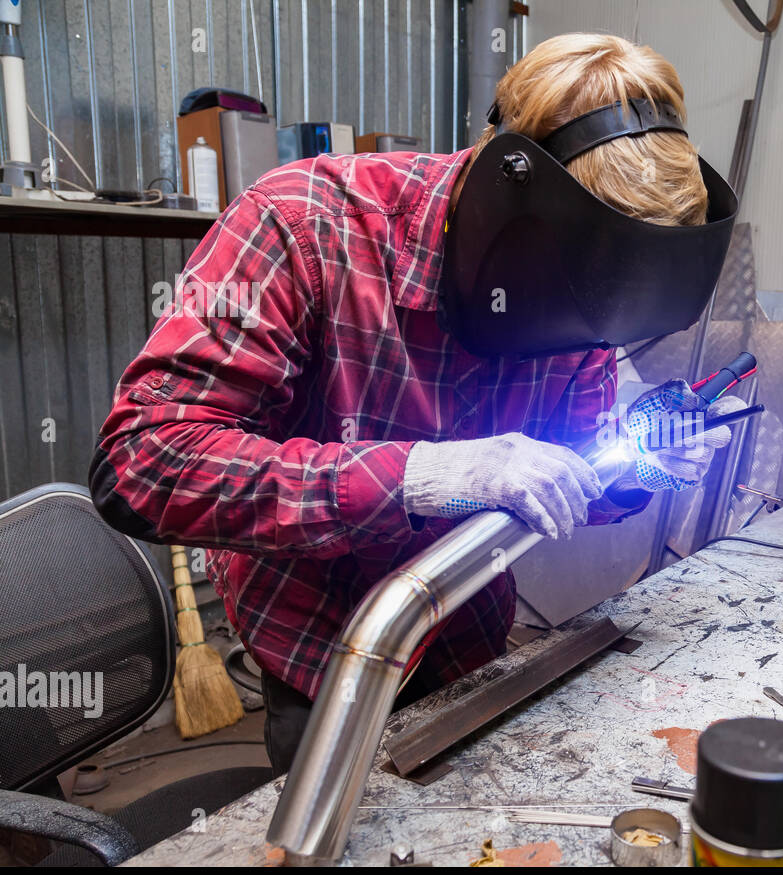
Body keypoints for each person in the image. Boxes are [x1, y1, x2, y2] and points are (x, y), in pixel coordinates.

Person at [89, 33, 741, 774]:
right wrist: (421, 477)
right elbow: (144, 466)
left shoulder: (578, 280)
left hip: (471, 633)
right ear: (510, 203)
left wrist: (640, 467)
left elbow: (570, 467)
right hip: (322, 644)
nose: (585, 345)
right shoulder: (300, 225)